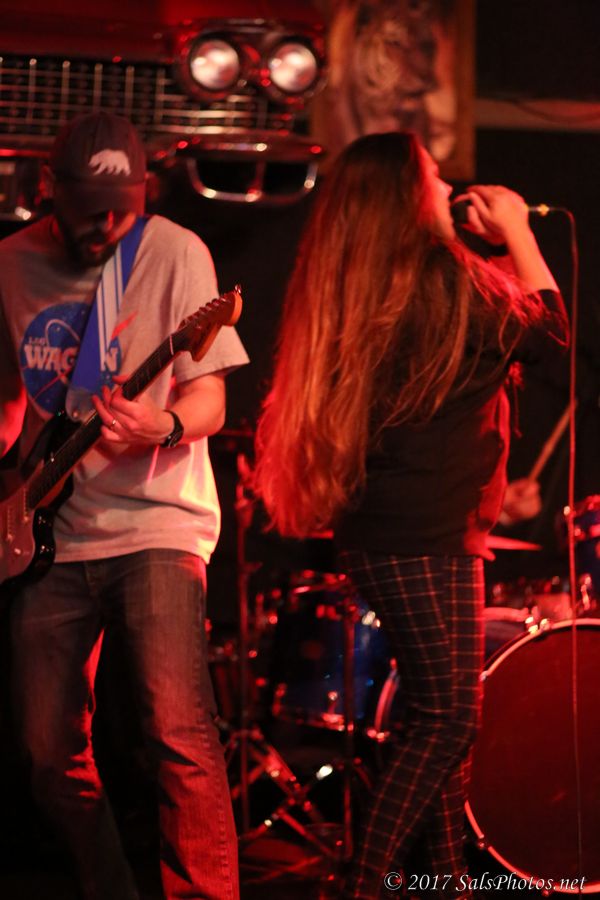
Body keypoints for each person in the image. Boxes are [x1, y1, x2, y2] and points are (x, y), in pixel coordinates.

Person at [253, 131, 568, 897]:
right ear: (406, 196)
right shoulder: (442, 278)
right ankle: (366, 882)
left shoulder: (372, 281)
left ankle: (446, 882)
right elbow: (549, 333)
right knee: (449, 717)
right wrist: (517, 232)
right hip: (426, 534)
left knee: (437, 714)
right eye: (433, 177)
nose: (447, 188)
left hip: (392, 531)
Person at [0, 112, 248, 900]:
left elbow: (209, 399)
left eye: (122, 210)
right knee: (46, 754)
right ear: (49, 189)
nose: (106, 226)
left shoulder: (176, 252)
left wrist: (162, 425)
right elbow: (9, 406)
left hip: (157, 525)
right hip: (48, 535)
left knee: (178, 734)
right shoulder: (10, 262)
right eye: (89, 211)